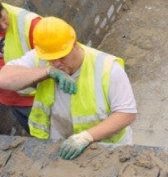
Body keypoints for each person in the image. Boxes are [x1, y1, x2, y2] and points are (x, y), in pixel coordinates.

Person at [0, 16, 137, 160]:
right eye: (51, 59)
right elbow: (3, 78)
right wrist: (46, 72)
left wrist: (86, 137)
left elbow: (126, 114)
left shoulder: (108, 68)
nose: (56, 63)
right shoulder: (42, 57)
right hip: (60, 147)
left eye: (62, 57)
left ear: (74, 45)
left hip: (105, 150)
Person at [0, 1, 42, 133]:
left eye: (3, 18)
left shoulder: (30, 24)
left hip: (36, 101)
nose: (3, 26)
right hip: (11, 100)